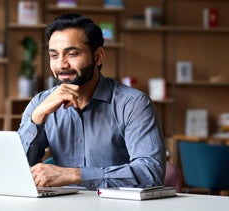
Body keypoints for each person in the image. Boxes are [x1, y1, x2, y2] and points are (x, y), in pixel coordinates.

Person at [18, 13, 166, 190]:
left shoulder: (133, 103)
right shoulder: (40, 103)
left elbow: (151, 173)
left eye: (72, 54)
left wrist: (75, 175)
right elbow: (15, 170)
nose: (61, 65)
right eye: (54, 55)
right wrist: (37, 118)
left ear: (98, 56)